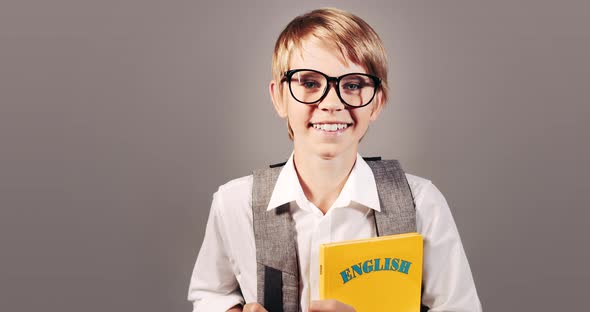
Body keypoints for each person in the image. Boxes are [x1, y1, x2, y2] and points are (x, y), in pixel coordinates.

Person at [188, 7, 482, 312]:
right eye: (309, 83)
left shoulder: (421, 203)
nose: (332, 103)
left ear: (377, 102)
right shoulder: (235, 203)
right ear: (279, 97)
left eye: (353, 85)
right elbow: (212, 294)